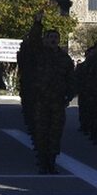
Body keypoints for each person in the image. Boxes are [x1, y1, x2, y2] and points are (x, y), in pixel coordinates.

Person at [22, 11, 75, 175]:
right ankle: (43, 162)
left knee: (55, 134)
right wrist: (37, 24)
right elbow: (33, 42)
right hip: (41, 101)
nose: (53, 40)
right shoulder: (39, 54)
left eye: (55, 38)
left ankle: (51, 162)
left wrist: (69, 96)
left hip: (57, 102)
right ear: (45, 40)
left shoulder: (65, 59)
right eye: (50, 37)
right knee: (41, 132)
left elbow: (71, 80)